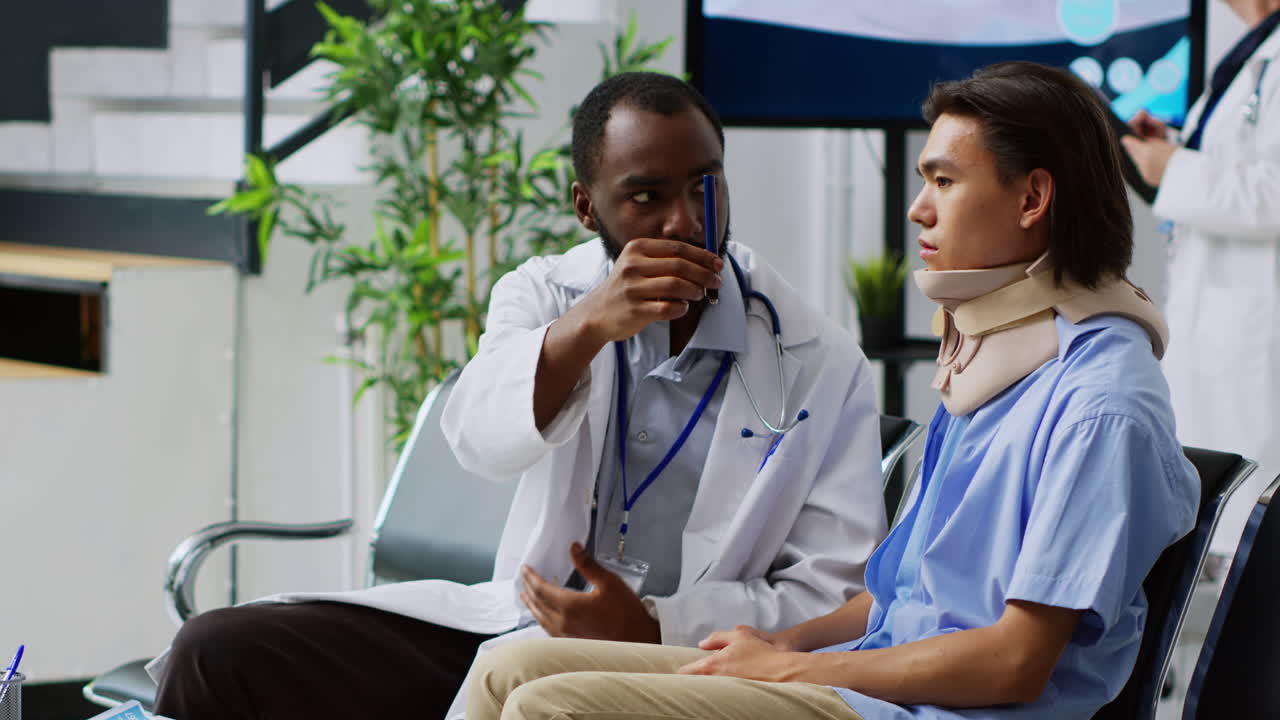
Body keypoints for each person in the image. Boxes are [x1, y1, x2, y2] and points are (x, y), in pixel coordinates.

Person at [466, 61, 1200, 720]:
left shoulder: (1101, 405)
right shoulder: (995, 365)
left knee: (550, 706)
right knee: (510, 667)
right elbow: (896, 595)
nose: (918, 208)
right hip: (865, 681)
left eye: (943, 180)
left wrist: (791, 668)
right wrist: (775, 643)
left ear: (1032, 198)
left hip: (926, 712)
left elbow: (1016, 660)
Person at [150, 72, 887, 720]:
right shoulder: (544, 295)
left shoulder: (819, 362)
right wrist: (585, 327)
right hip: (513, 625)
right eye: (644, 197)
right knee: (216, 653)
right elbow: (479, 436)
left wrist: (657, 623)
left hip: (683, 660)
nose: (684, 223)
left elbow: (836, 594)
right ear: (586, 207)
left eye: (705, 185)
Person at [1121, 0, 1280, 556]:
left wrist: (1174, 168)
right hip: (1221, 322)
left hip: (1259, 333)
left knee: (1251, 529)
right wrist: (1174, 145)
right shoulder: (1254, 51)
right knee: (1220, 527)